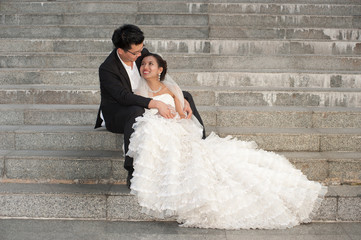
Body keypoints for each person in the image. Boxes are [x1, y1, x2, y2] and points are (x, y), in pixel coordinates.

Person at [127, 53, 328, 230]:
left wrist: (180, 110)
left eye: (150, 64)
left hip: (179, 130)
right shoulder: (139, 92)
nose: (145, 67)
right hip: (161, 132)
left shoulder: (171, 89)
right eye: (143, 64)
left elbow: (183, 115)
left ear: (160, 69)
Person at [94, 24, 205, 188]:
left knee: (185, 94)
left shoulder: (139, 53)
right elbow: (123, 97)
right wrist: (155, 103)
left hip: (143, 99)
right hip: (118, 112)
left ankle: (201, 141)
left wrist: (179, 99)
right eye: (136, 53)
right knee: (136, 111)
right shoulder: (107, 69)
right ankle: (131, 168)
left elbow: (159, 78)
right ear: (121, 51)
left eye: (142, 49)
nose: (141, 55)